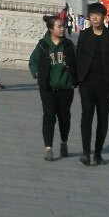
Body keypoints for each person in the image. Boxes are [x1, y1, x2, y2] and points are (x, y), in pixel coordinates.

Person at [75, 1, 109, 166]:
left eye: (98, 15)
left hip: (105, 86)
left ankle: (98, 153)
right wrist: (79, 80)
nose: (95, 18)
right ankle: (86, 152)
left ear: (104, 17)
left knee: (103, 118)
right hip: (87, 84)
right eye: (92, 15)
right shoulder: (84, 35)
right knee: (86, 116)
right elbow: (78, 58)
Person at [30, 15, 78, 161]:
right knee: (49, 116)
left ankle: (64, 142)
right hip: (48, 88)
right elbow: (33, 61)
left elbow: (78, 61)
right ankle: (48, 148)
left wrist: (76, 77)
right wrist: (37, 73)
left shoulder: (68, 45)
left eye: (63, 26)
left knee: (64, 117)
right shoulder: (43, 45)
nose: (62, 29)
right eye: (59, 26)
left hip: (65, 87)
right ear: (51, 29)